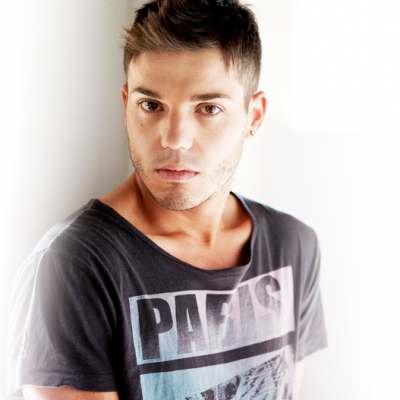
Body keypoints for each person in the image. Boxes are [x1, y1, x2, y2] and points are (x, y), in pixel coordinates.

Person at [6, 0, 328, 399]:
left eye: (208, 108)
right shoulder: (72, 266)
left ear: (254, 116)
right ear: (126, 105)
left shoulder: (292, 245)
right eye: (151, 105)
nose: (174, 139)